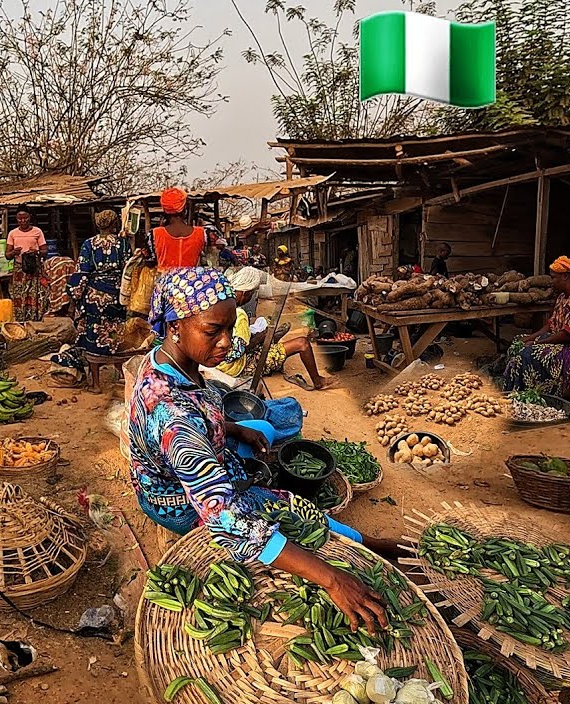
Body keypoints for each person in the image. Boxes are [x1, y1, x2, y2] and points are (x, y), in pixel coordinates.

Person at [128, 267, 393, 632]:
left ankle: (357, 540)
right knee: (293, 513)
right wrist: (332, 580)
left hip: (190, 464)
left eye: (227, 327)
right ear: (175, 326)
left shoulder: (171, 359)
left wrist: (234, 427)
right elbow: (224, 518)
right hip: (179, 502)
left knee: (264, 428)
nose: (224, 343)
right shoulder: (172, 415)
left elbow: (200, 410)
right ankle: (367, 543)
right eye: (212, 331)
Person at [500, 256, 570, 395]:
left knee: (529, 353)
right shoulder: (562, 297)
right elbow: (551, 325)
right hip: (564, 343)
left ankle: (531, 391)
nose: (551, 282)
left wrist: (538, 343)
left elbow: (566, 335)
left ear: (565, 276)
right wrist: (530, 337)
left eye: (554, 278)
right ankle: (514, 387)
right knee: (518, 342)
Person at [218, 269, 333, 390]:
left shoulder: (223, 305)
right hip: (238, 367)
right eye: (252, 294)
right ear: (245, 293)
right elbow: (235, 353)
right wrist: (259, 338)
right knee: (302, 343)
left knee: (266, 323)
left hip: (223, 365)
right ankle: (318, 382)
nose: (251, 297)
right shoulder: (239, 314)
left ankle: (271, 340)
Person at [69, 209, 131, 354]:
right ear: (114, 223)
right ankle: (117, 363)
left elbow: (82, 272)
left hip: (93, 296)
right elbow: (128, 270)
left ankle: (95, 373)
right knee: (116, 332)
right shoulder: (123, 244)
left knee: (93, 331)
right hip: (116, 296)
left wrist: (74, 294)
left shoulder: (88, 244)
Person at [5, 206, 48, 322]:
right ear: (16, 219)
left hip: (34, 268)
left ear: (30, 218)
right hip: (19, 269)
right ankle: (21, 320)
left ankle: (35, 319)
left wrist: (36, 252)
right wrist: (14, 252)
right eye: (20, 219)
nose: (22, 221)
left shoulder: (37, 232)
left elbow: (45, 251)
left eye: (25, 218)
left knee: (34, 294)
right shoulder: (13, 233)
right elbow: (7, 255)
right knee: (20, 294)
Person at [151, 188, 205, 270]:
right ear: (184, 209)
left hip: (164, 281)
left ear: (165, 210)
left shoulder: (155, 234)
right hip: (191, 281)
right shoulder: (201, 233)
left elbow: (149, 263)